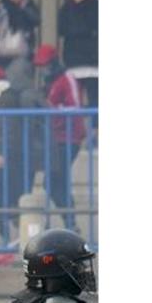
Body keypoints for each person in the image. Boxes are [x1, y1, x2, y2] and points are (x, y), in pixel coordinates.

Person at [33, 44, 88, 232]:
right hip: (56, 138)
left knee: (55, 180)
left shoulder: (67, 78)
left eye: (46, 64)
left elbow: (75, 106)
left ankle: (70, 223)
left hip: (70, 138)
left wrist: (51, 109)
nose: (43, 69)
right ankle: (70, 223)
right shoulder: (50, 82)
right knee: (57, 181)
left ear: (54, 62)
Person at [0, 62, 34, 242]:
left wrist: (2, 152)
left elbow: (8, 128)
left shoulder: (5, 98)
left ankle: (12, 230)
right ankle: (9, 230)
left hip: (5, 154)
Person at [57, 0, 98, 116]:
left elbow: (92, 24)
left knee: (94, 100)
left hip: (92, 62)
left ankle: (95, 130)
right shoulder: (66, 9)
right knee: (73, 100)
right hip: (73, 61)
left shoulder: (94, 7)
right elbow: (62, 30)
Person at [0, 0, 41, 70]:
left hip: (23, 53)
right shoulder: (0, 6)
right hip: (3, 55)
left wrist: (23, 7)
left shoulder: (28, 4)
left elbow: (36, 20)